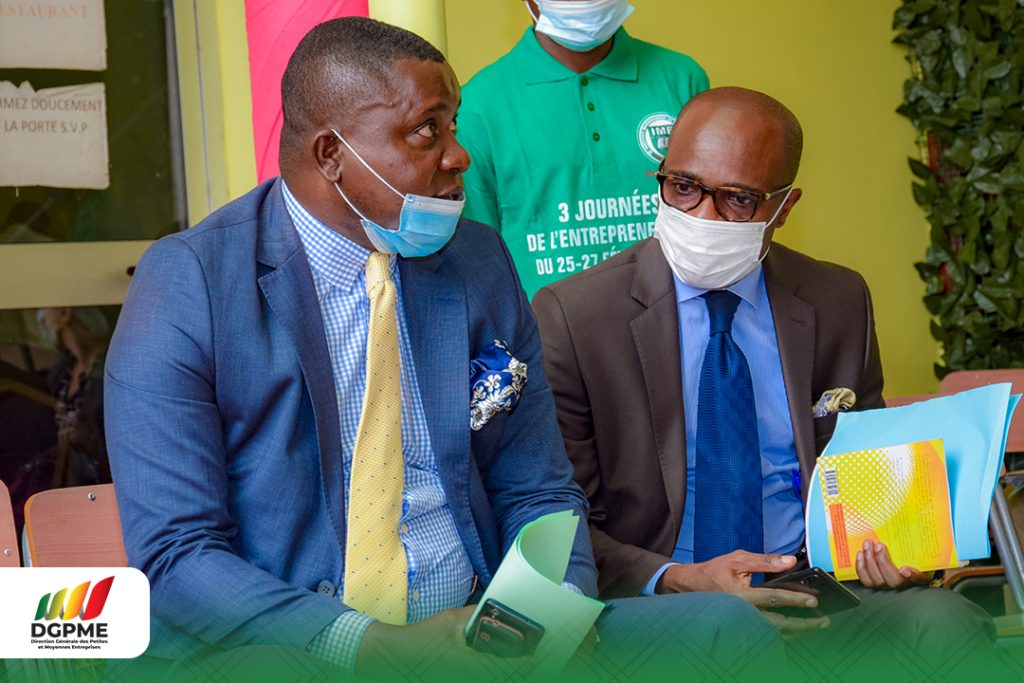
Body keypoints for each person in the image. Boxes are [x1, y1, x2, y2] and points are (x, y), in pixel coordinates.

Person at [105, 20, 782, 680]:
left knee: (725, 629)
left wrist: (553, 615)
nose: (458, 155)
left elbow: (538, 489)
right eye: (427, 130)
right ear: (331, 154)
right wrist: (372, 648)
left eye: (452, 125)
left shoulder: (477, 260)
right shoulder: (192, 283)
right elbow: (177, 554)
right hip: (298, 647)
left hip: (481, 633)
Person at [533, 86, 995, 670]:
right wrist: (674, 577)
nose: (703, 216)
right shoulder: (575, 316)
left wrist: (891, 550)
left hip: (811, 588)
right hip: (667, 600)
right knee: (729, 631)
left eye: (738, 199)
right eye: (683, 187)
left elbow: (865, 481)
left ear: (784, 206)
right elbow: (560, 518)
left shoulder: (836, 299)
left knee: (945, 620)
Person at [457, 0, 708, 298]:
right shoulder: (478, 105)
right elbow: (480, 256)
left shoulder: (683, 80)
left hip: (673, 309)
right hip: (542, 319)